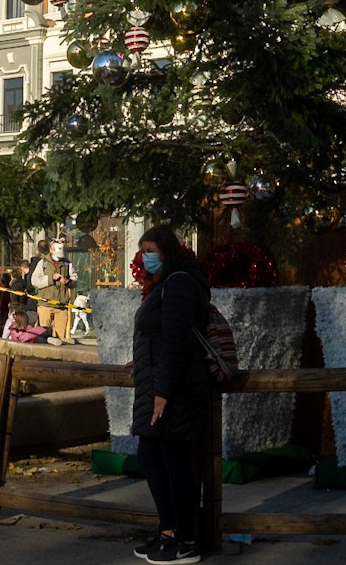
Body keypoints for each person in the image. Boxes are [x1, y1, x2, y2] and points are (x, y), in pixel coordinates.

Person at [130, 225, 210, 565]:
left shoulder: (178, 283)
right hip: (159, 382)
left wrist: (162, 392)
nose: (146, 258)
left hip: (174, 390)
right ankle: (169, 531)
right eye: (143, 251)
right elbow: (162, 334)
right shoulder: (165, 283)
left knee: (171, 460)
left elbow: (177, 340)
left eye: (152, 250)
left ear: (167, 251)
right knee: (152, 456)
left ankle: (187, 538)